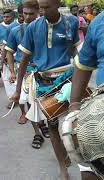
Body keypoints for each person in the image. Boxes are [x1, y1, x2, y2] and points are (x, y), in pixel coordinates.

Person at [10, 0, 81, 179]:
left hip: (68, 78)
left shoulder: (71, 22)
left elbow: (75, 51)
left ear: (58, 4)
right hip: (43, 82)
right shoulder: (33, 27)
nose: (42, 11)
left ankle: (78, 158)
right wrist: (18, 90)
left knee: (75, 122)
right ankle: (62, 166)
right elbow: (25, 59)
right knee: (52, 125)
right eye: (40, 7)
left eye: (46, 7)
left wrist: (83, 74)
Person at [69, 11, 104, 180]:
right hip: (101, 111)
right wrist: (74, 106)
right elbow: (83, 64)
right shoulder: (99, 22)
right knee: (88, 169)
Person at [5, 0, 39, 125]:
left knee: (36, 100)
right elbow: (9, 51)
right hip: (23, 69)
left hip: (40, 68)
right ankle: (24, 114)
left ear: (37, 12)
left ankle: (39, 124)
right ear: (21, 14)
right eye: (25, 14)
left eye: (31, 13)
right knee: (23, 98)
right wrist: (12, 71)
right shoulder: (15, 31)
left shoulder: (43, 28)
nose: (28, 16)